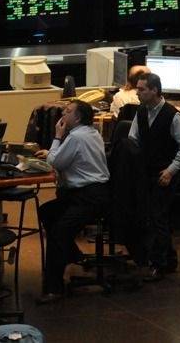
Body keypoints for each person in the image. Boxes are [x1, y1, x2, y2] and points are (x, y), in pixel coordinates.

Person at [35, 100, 110, 304]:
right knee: (47, 212)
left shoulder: (75, 137)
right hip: (96, 193)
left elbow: (55, 162)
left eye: (67, 112)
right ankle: (73, 255)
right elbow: (63, 157)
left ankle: (54, 289)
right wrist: (54, 152)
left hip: (88, 197)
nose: (62, 114)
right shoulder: (92, 132)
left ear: (77, 118)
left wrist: (57, 137)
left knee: (58, 231)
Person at [128, 73, 180, 281]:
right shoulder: (141, 111)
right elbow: (132, 138)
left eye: (141, 89)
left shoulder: (172, 116)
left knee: (157, 217)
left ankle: (159, 263)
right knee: (155, 217)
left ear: (154, 90)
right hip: (147, 172)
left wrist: (171, 170)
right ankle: (169, 260)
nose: (137, 93)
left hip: (165, 174)